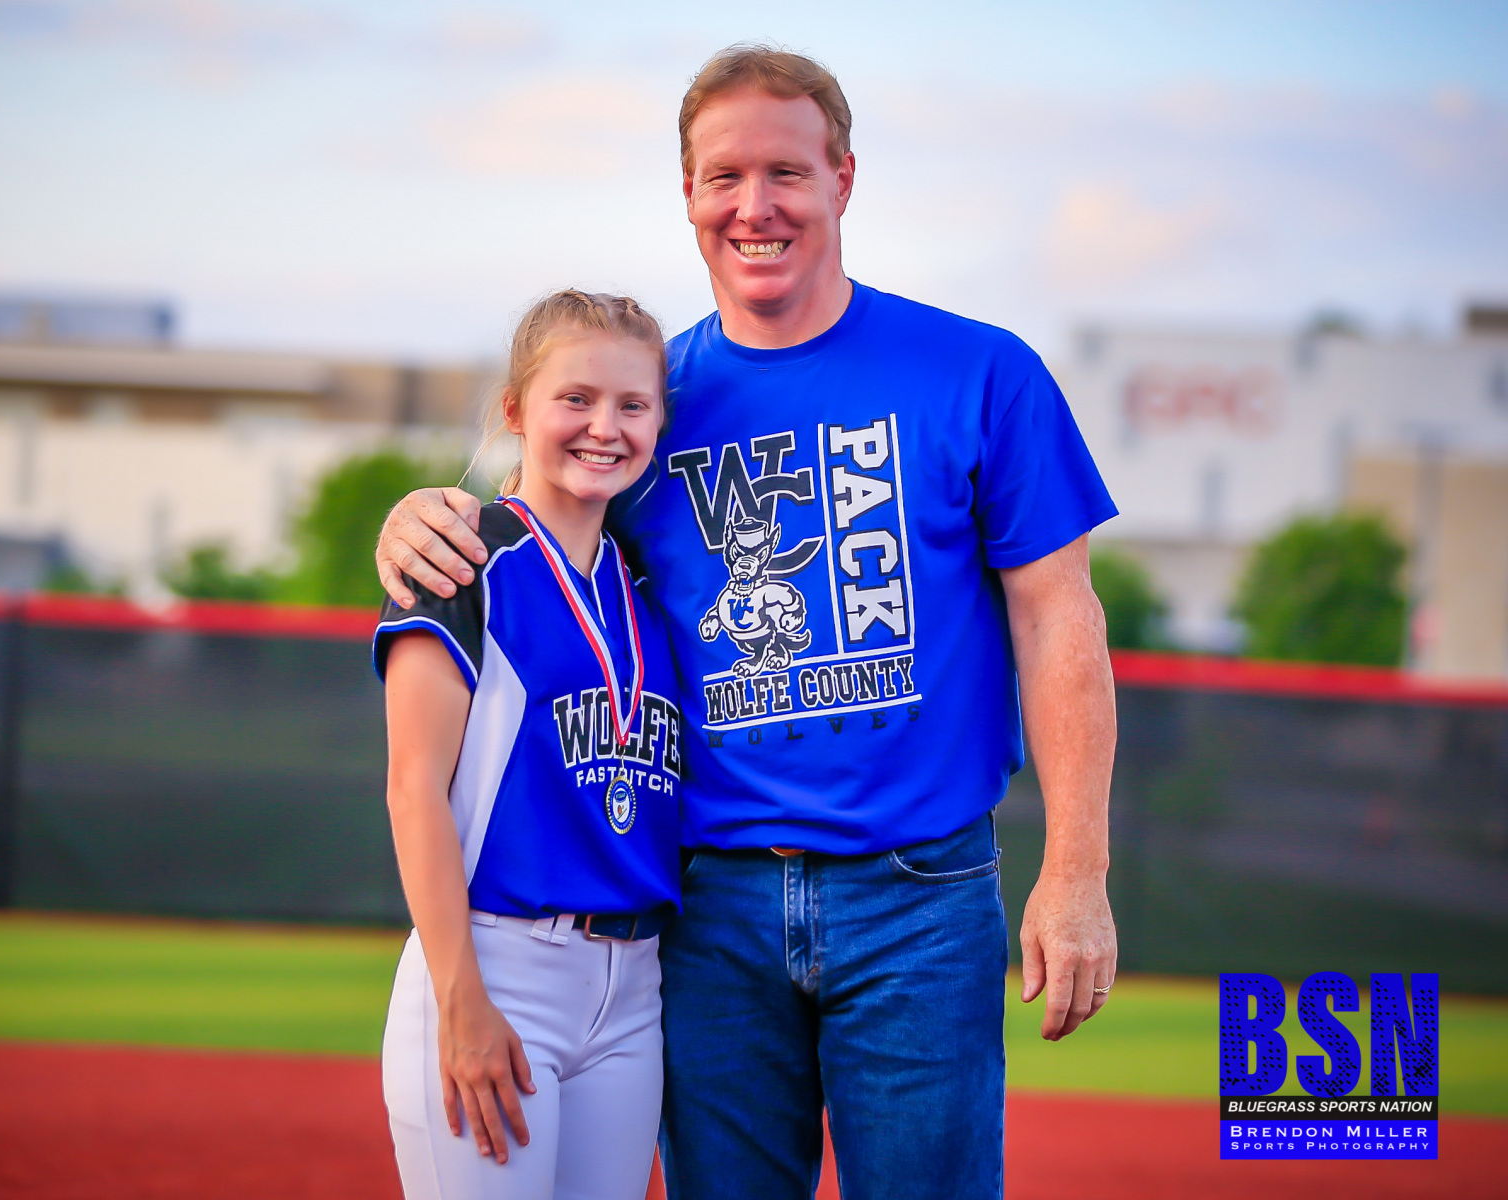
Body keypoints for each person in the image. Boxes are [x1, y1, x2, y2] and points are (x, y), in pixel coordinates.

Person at [376, 46, 1119, 1200]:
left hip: (918, 896)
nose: (753, 206)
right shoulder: (646, 399)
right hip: (708, 904)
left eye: (786, 172)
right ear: (687, 194)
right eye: (723, 176)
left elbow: (1059, 619)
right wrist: (417, 516)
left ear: (843, 179)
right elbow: (519, 522)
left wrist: (1076, 869)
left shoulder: (978, 372)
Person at [375, 289, 682, 1200]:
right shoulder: (460, 561)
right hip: (496, 965)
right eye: (575, 398)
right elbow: (412, 792)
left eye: (632, 405)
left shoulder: (648, 588)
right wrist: (461, 1000)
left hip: (632, 992)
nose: (605, 427)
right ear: (514, 409)